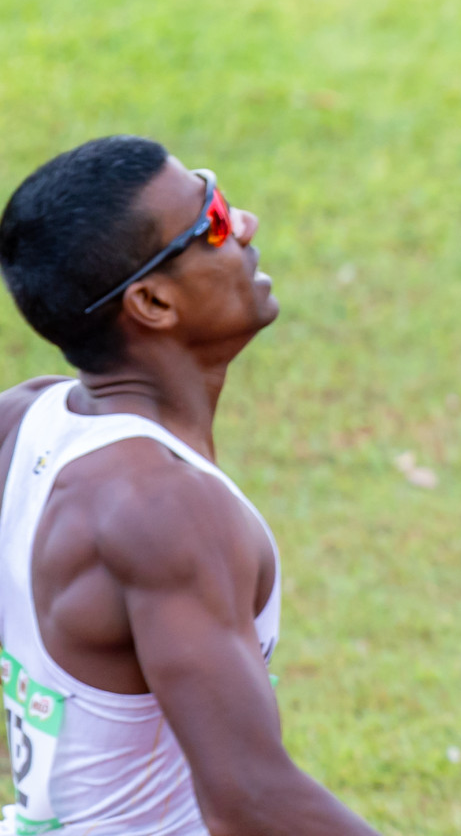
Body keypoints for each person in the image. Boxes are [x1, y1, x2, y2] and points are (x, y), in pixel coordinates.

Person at [0, 136, 379, 835]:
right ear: (151, 301)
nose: (247, 225)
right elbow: (252, 802)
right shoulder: (167, 508)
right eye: (214, 220)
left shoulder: (25, 419)